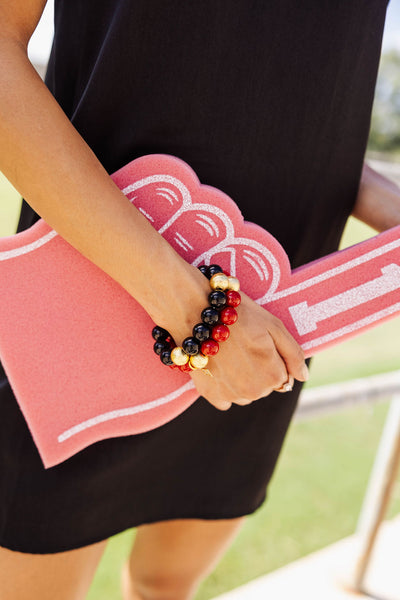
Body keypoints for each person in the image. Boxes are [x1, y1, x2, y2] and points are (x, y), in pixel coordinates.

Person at [0, 1, 398, 599]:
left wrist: (379, 197)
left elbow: (298, 89)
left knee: (167, 585)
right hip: (93, 298)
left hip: (274, 326)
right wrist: (201, 316)